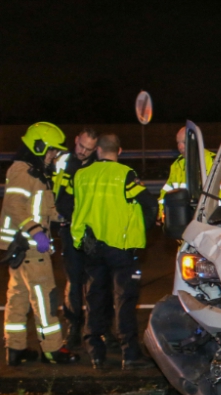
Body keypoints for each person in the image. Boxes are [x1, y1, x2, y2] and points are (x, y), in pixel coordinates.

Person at [64, 134, 157, 370]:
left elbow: (76, 210)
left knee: (95, 299)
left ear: (97, 151)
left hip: (92, 248)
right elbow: (150, 204)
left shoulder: (81, 176)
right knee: (124, 300)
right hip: (122, 249)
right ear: (120, 150)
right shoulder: (125, 174)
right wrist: (139, 231)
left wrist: (81, 242)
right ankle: (130, 355)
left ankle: (96, 353)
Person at [0, 122, 79, 365]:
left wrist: (62, 216)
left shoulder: (36, 173)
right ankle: (53, 350)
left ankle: (15, 349)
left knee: (18, 298)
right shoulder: (23, 172)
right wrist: (37, 233)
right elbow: (14, 205)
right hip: (30, 246)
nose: (54, 155)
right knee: (45, 298)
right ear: (39, 146)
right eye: (52, 150)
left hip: (23, 248)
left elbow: (41, 207)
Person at [53, 128, 99, 348]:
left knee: (95, 280)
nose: (83, 152)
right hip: (69, 230)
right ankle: (74, 326)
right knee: (73, 280)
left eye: (89, 149)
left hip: (93, 232)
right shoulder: (62, 161)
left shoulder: (98, 164)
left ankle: (97, 328)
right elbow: (51, 191)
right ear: (76, 140)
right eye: (81, 146)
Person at [158, 126, 221, 218]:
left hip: (208, 219)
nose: (180, 146)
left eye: (184, 142)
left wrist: (207, 211)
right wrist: (161, 212)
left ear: (195, 142)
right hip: (181, 218)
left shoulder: (214, 162)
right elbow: (167, 192)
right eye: (178, 143)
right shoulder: (177, 165)